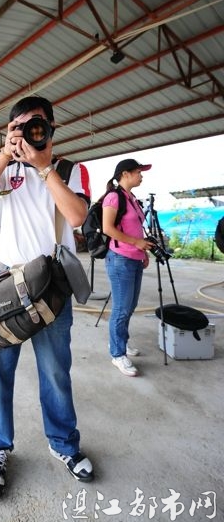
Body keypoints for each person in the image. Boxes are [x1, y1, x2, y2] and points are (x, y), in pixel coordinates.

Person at [0, 96, 94, 499]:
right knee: (0, 369)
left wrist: (44, 167)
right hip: (8, 283)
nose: (28, 133)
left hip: (52, 285)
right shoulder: (8, 170)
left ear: (51, 128)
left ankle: (64, 443)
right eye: (19, 127)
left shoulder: (70, 170)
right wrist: (6, 154)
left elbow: (77, 217)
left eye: (35, 125)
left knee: (55, 371)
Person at [102, 159, 154, 376]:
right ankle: (117, 354)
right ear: (125, 174)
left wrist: (142, 252)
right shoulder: (113, 197)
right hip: (120, 259)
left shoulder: (131, 198)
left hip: (134, 258)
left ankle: (119, 341)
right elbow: (107, 228)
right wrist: (136, 243)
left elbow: (135, 230)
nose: (141, 175)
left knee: (130, 306)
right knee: (121, 309)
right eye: (138, 172)